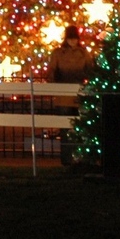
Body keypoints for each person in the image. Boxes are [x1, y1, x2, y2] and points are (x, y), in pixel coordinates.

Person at [50, 25, 92, 166]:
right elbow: (52, 71)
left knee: (79, 128)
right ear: (66, 39)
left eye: (75, 39)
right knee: (66, 129)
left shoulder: (83, 53)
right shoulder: (58, 53)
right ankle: (67, 159)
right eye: (70, 38)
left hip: (78, 94)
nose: (73, 41)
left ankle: (79, 158)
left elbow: (90, 70)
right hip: (63, 95)